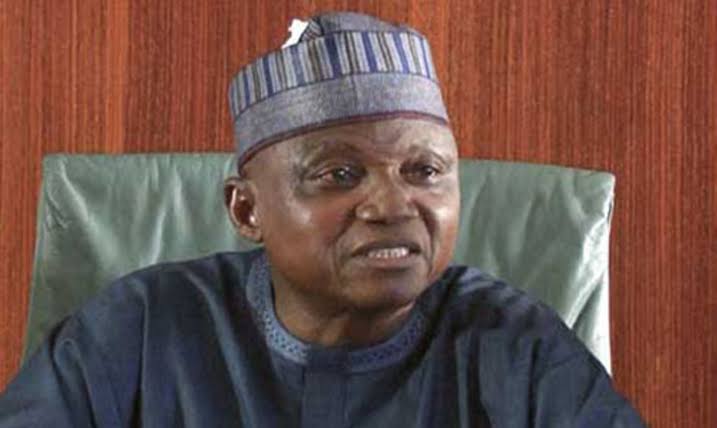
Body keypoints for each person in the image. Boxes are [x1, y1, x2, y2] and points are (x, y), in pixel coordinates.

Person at [0, 12, 644, 427]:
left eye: (424, 171)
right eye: (340, 174)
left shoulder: (515, 344)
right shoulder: (138, 328)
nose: (392, 205)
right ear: (247, 209)